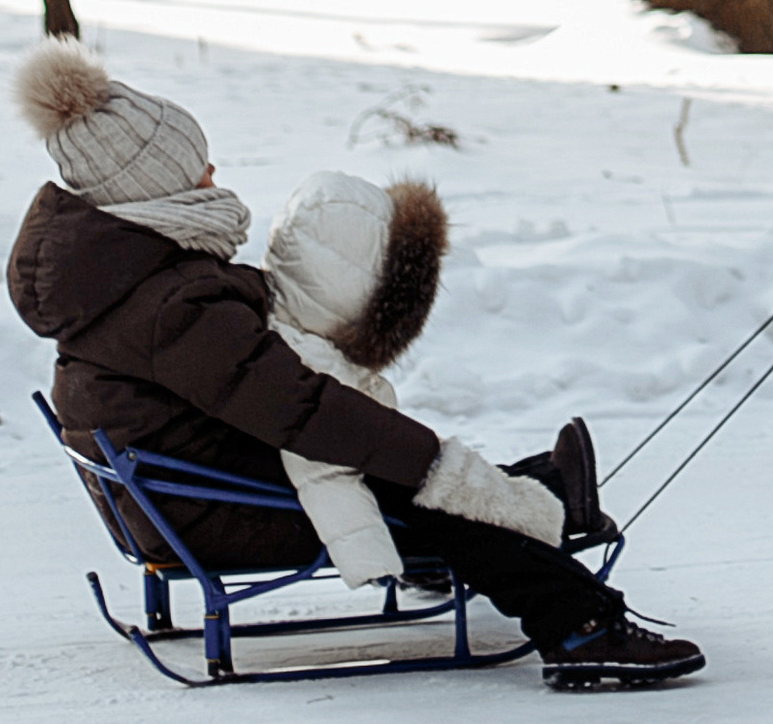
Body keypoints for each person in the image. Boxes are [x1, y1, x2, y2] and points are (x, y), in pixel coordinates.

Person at [8, 45, 701, 689]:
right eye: (197, 167)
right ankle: (580, 628)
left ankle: (541, 491)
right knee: (419, 490)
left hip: (184, 489)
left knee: (400, 468)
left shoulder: (123, 278)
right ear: (153, 186)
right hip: (214, 511)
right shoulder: (170, 303)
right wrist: (430, 461)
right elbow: (299, 408)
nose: (213, 175)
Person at [257, 164, 621, 582]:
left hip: (366, 479)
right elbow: (324, 474)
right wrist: (379, 559)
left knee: (429, 465)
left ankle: (543, 480)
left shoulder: (292, 335)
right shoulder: (310, 358)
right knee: (434, 476)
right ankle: (555, 502)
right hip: (367, 502)